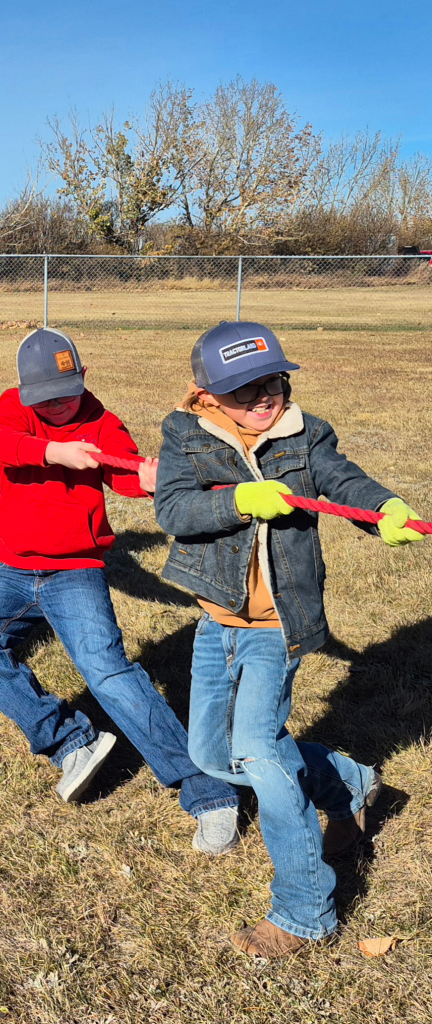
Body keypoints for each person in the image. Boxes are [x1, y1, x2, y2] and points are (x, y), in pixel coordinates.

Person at [154, 320, 425, 957]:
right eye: (244, 390)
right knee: (212, 756)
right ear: (207, 395)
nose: (263, 398)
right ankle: (349, 784)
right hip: (216, 621)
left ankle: (305, 911)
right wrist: (239, 501)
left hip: (278, 626)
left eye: (272, 382)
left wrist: (384, 509)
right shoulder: (185, 435)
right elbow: (173, 509)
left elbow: (345, 481)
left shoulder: (306, 434)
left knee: (259, 752)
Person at [0, 329, 241, 853]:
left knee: (108, 672)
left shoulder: (102, 422)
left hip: (75, 570)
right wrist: (55, 451)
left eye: (66, 393)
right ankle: (70, 742)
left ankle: (208, 792)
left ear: (82, 377)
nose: (56, 405)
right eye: (44, 398)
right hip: (13, 569)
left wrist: (145, 480)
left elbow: (122, 473)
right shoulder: (15, 409)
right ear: (23, 389)